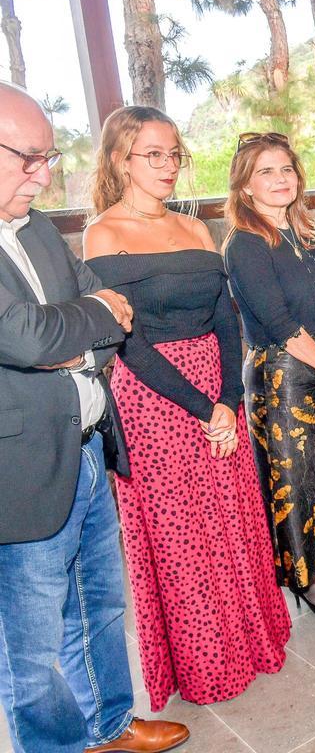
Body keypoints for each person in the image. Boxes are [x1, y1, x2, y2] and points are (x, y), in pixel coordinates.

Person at [0, 85, 188, 753]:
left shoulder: (38, 226)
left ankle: (110, 725)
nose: (43, 175)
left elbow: (104, 313)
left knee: (100, 607)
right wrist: (78, 326)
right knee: (31, 651)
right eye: (27, 158)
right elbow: (24, 337)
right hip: (19, 474)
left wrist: (72, 334)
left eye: (48, 158)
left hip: (85, 447)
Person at [84, 106, 291, 712]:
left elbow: (226, 317)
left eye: (175, 154)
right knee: (182, 536)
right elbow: (127, 341)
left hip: (218, 392)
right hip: (155, 399)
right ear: (121, 158)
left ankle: (251, 641)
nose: (169, 166)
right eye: (155, 154)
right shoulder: (105, 233)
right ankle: (205, 664)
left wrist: (229, 397)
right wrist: (203, 406)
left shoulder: (196, 226)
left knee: (233, 517)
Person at [223, 132, 315, 616]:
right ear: (245, 186)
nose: (279, 179)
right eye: (266, 171)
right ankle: (305, 580)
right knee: (295, 483)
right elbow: (280, 325)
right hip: (284, 380)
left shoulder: (301, 233)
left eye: (286, 169)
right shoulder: (244, 244)